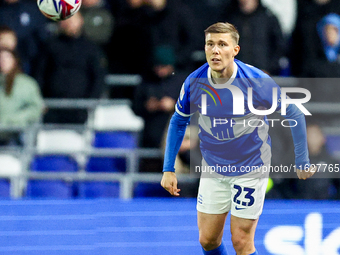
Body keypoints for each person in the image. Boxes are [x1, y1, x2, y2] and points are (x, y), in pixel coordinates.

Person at [161, 22, 316, 255]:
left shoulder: (255, 81)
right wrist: (168, 168)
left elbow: (293, 112)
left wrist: (302, 160)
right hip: (214, 167)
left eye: (222, 44)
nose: (215, 50)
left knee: (241, 241)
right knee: (208, 240)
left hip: (250, 167)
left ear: (235, 50)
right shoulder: (194, 82)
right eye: (210, 44)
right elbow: (178, 120)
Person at [35, 11, 106, 124]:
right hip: (52, 107)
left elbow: (98, 77)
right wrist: (41, 101)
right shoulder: (50, 46)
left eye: (72, 20)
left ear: (81, 21)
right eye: (66, 20)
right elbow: (40, 74)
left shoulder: (91, 48)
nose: (69, 23)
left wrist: (90, 102)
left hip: (80, 109)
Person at [0, 47, 44, 145]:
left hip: (16, 134)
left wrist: (14, 120)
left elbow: (35, 108)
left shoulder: (27, 84)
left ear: (14, 60)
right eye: (0, 58)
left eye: (6, 57)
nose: (2, 61)